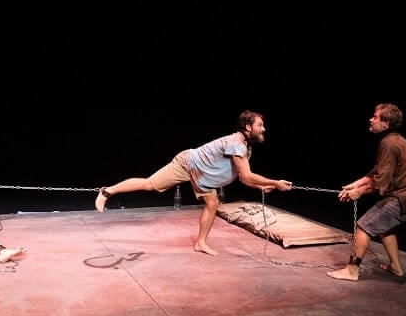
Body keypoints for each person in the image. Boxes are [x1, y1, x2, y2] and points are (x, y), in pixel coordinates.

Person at [94, 110, 293, 256]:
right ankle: (107, 192)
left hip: (203, 177)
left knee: (212, 203)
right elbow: (247, 175)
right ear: (248, 127)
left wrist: (260, 186)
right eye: (260, 125)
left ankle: (200, 243)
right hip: (188, 164)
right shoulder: (236, 144)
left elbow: (242, 176)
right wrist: (276, 183)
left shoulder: (245, 147)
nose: (263, 128)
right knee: (149, 184)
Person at [327, 103, 406, 282]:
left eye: (375, 117)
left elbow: (382, 181)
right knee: (385, 228)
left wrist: (359, 192)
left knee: (363, 227)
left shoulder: (389, 143)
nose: (371, 120)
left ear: (386, 123)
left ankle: (352, 270)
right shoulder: (392, 140)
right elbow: (376, 172)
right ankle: (396, 268)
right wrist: (353, 186)